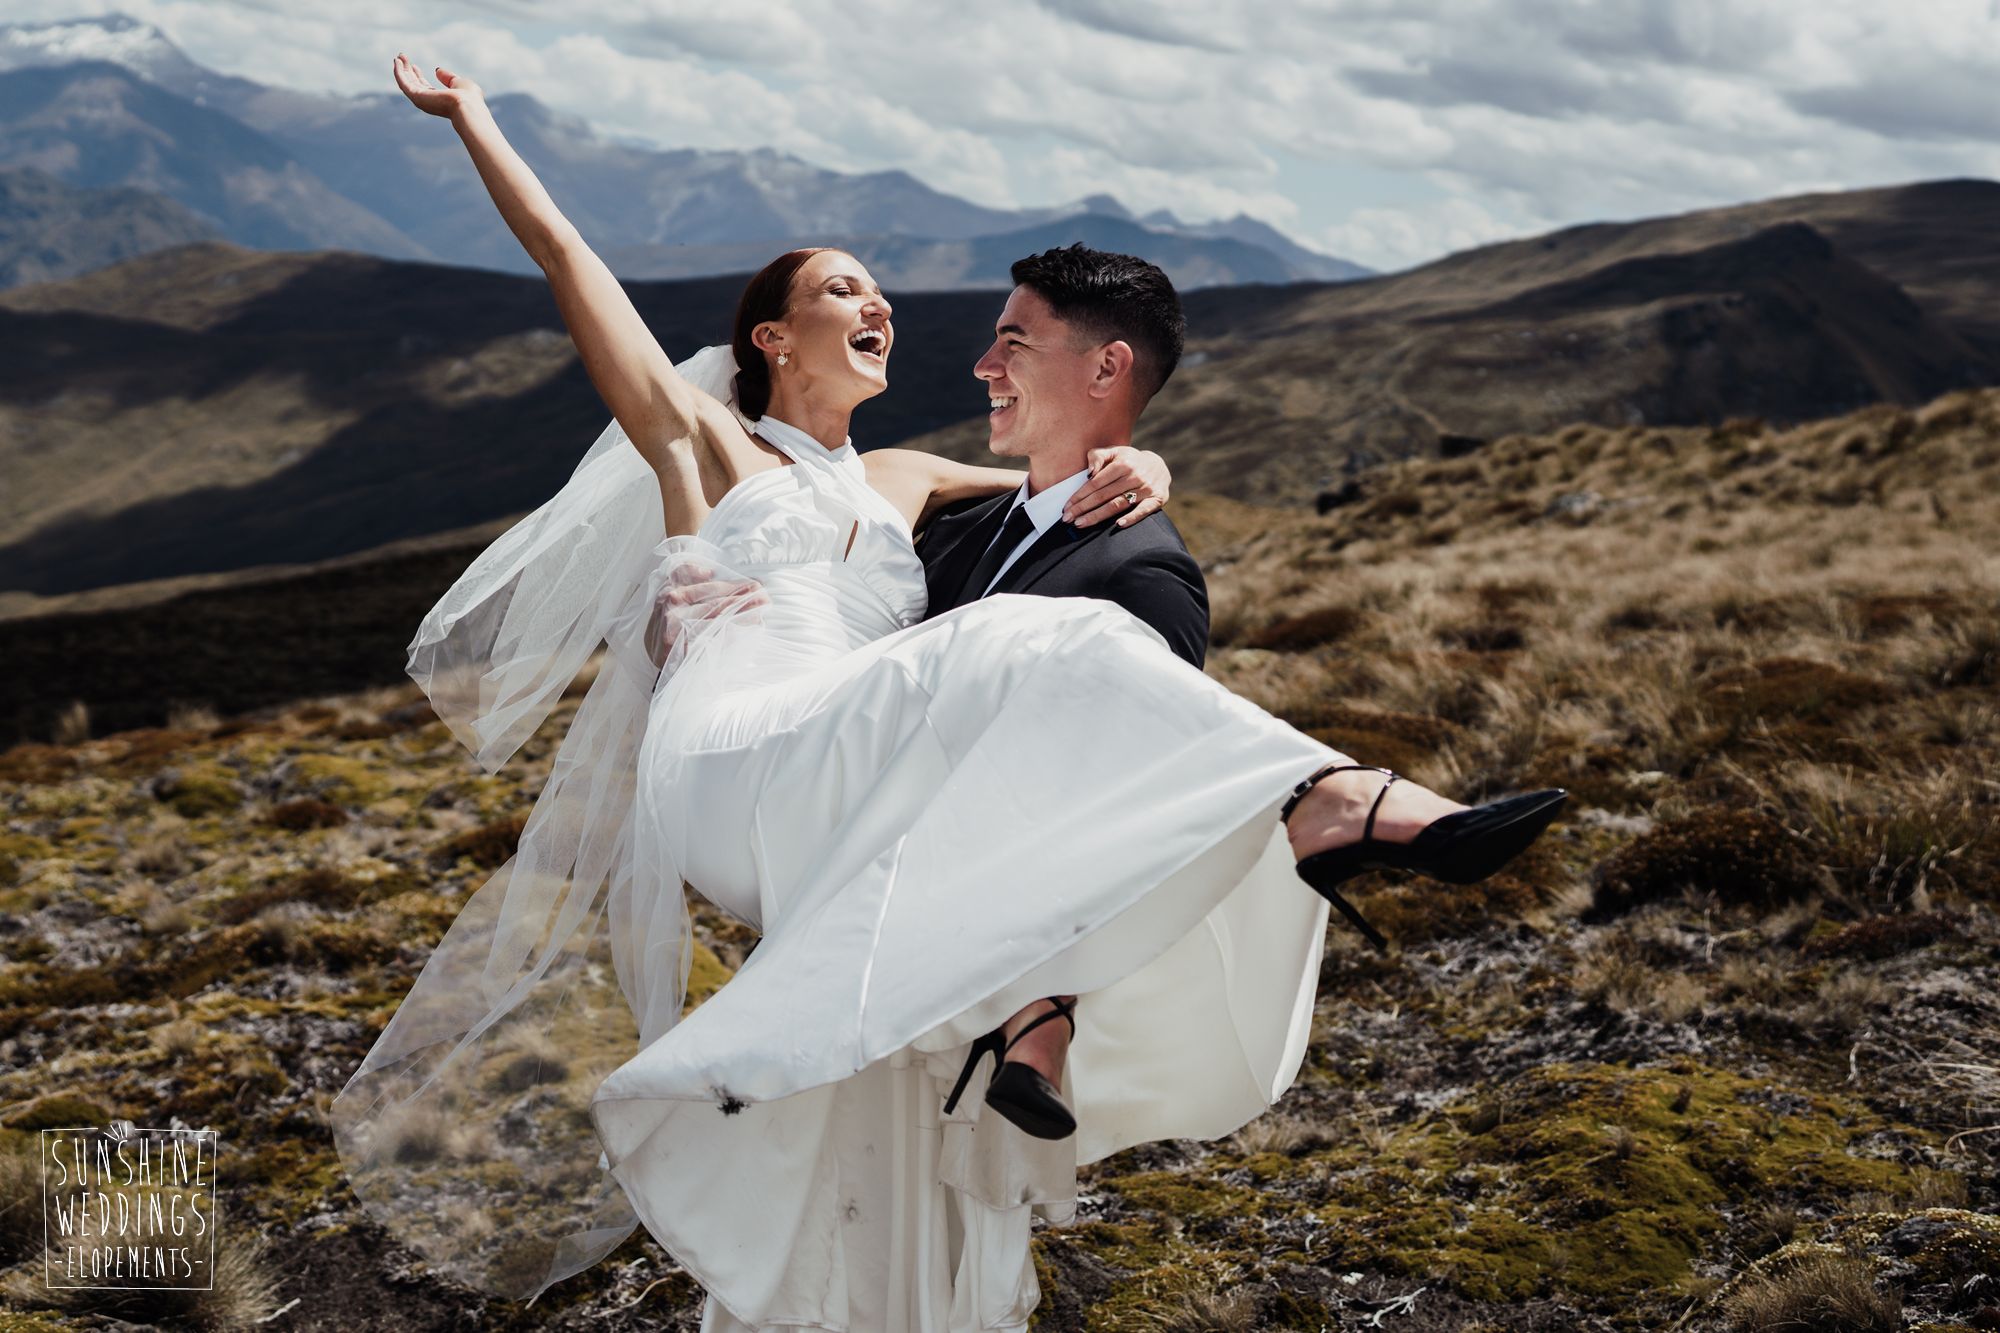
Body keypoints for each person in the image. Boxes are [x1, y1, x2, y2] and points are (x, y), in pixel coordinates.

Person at [331, 56, 1566, 1332]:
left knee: (1048, 656)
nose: (876, 302)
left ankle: (1026, 1029)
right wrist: (474, 120)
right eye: (839, 288)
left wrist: (1146, 457)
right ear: (770, 338)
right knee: (1046, 641)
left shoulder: (909, 478)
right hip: (735, 741)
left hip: (833, 769)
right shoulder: (704, 442)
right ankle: (1327, 802)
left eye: (877, 289)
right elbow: (564, 257)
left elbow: (1060, 474)